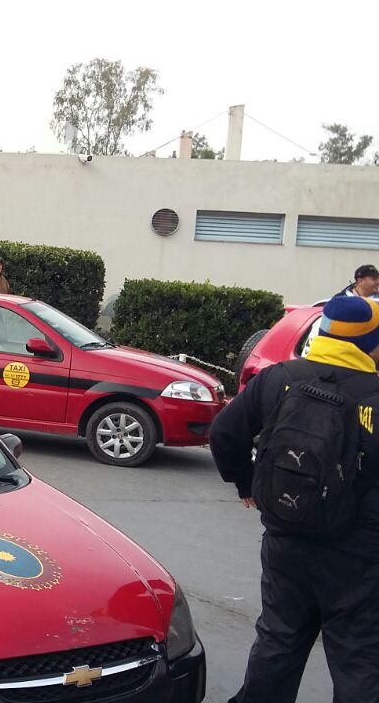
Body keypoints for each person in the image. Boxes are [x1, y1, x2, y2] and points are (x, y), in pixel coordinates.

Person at [210, 295, 379, 703]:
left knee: (279, 639)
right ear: (370, 343)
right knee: (357, 654)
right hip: (359, 552)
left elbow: (223, 433)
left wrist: (247, 484)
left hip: (286, 534)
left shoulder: (279, 377)